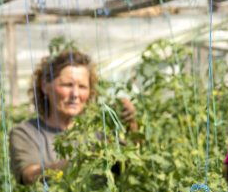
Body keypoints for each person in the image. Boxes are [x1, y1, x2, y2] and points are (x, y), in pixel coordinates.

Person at [9, 49, 137, 185]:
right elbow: (30, 175)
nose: (75, 94)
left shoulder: (99, 129)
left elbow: (132, 164)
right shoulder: (26, 133)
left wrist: (131, 124)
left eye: (82, 86)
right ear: (45, 86)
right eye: (67, 85)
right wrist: (82, 159)